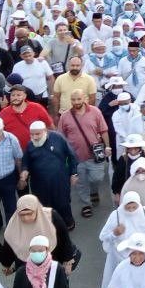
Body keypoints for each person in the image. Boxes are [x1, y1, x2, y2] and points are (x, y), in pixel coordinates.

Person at [57, 88, 112, 219]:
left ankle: (94, 191)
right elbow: (60, 136)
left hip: (95, 155)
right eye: (73, 99)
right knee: (81, 182)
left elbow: (103, 130)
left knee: (97, 177)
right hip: (75, 157)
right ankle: (85, 204)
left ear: (84, 99)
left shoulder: (95, 111)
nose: (76, 102)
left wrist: (108, 147)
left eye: (79, 99)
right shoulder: (65, 116)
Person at [21, 121, 78, 229]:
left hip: (59, 180)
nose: (35, 137)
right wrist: (24, 171)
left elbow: (72, 156)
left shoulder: (58, 138)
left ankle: (68, 224)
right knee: (44, 206)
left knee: (63, 203)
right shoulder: (30, 145)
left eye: (37, 134)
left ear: (45, 131)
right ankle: (50, 228)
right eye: (32, 134)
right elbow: (25, 162)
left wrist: (74, 173)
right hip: (39, 184)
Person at [6, 234, 77, 288]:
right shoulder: (21, 273)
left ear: (47, 250)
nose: (36, 253)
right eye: (33, 251)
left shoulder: (57, 269)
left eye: (40, 250)